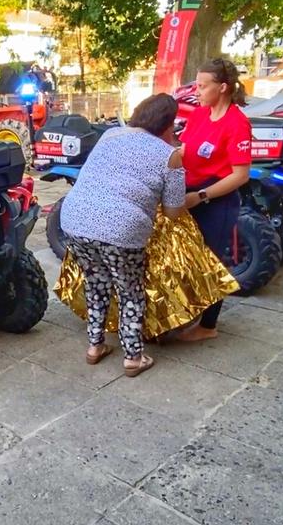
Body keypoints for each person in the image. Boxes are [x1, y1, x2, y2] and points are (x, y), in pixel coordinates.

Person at [60, 94, 186, 377]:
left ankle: (95, 346)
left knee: (96, 282)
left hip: (75, 218)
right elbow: (174, 212)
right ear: (170, 125)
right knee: (130, 291)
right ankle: (133, 357)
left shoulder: (111, 135)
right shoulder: (170, 155)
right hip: (121, 229)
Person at [178, 57, 251, 341]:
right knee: (187, 257)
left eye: (202, 86)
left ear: (222, 88)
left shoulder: (237, 123)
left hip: (216, 198)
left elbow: (240, 175)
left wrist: (202, 196)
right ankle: (188, 310)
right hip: (191, 192)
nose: (196, 91)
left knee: (212, 261)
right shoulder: (199, 114)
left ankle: (208, 325)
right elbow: (184, 152)